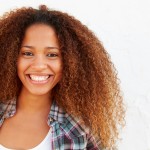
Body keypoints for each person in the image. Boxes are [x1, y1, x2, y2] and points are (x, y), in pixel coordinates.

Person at [0, 5, 125, 150]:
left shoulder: (79, 128)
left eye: (52, 55)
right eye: (27, 53)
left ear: (70, 61)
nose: (39, 65)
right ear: (8, 57)